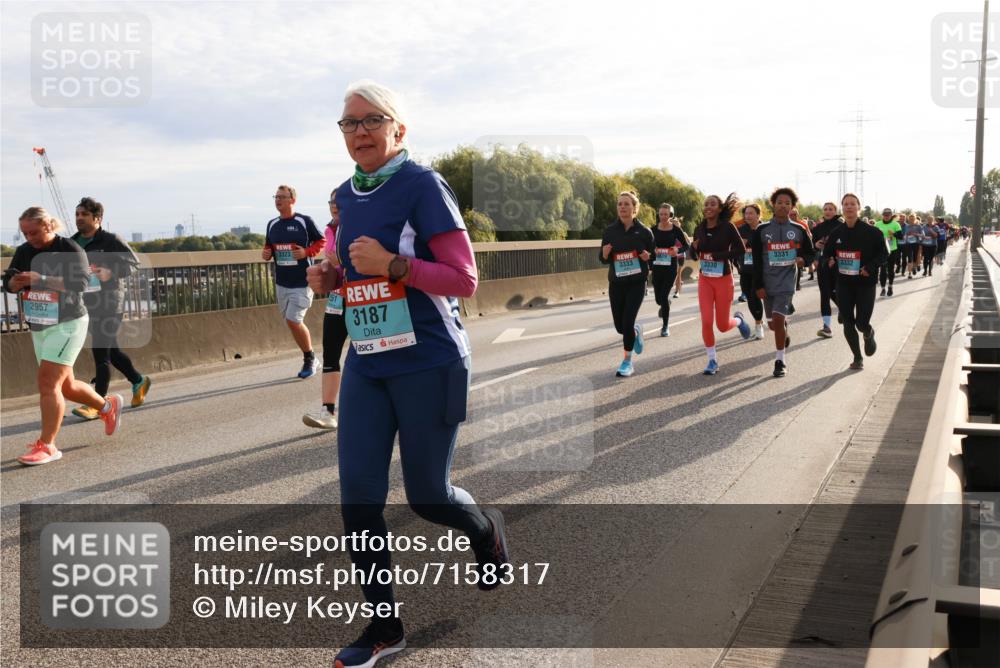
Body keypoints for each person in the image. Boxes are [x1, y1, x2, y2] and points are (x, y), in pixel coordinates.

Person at [307, 80, 508, 668]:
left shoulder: (423, 184)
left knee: (428, 496)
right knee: (359, 505)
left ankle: (483, 528)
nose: (360, 132)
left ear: (398, 130)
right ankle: (385, 628)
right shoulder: (346, 194)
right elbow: (359, 276)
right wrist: (333, 281)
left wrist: (393, 262)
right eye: (349, 123)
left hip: (430, 360)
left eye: (372, 120)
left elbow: (464, 279)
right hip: (370, 363)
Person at [2, 207, 123, 465]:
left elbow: (82, 284)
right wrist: (16, 283)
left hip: (68, 323)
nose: (29, 237)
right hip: (40, 324)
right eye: (25, 233)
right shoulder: (24, 251)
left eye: (34, 232)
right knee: (65, 386)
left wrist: (42, 278)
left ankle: (47, 446)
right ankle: (107, 406)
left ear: (48, 225)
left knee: (47, 383)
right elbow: (9, 283)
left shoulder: (70, 249)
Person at [68, 197, 151, 420]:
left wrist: (110, 272)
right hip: (85, 304)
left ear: (97, 218)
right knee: (111, 351)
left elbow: (133, 264)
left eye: (84, 214)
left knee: (100, 351)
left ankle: (97, 402)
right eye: (77, 214)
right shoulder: (72, 243)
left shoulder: (111, 240)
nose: (79, 218)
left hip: (110, 303)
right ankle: (138, 380)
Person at [262, 184, 326, 378]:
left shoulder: (304, 221)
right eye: (276, 197)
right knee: (290, 321)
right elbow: (268, 248)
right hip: (282, 282)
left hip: (302, 281)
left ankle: (310, 358)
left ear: (292, 200)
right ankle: (311, 357)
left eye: (282, 197)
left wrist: (306, 252)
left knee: (293, 319)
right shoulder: (272, 224)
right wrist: (266, 253)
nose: (278, 200)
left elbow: (321, 241)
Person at [751, 188, 815, 377]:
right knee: (773, 325)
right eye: (780, 202)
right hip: (767, 282)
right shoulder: (762, 230)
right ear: (773, 204)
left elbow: (810, 253)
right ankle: (783, 331)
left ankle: (780, 361)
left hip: (787, 282)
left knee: (778, 320)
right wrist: (758, 286)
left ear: (792, 207)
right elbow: (755, 260)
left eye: (788, 203)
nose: (783, 205)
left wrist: (804, 260)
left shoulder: (799, 229)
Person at [822, 193, 887, 370]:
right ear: (842, 208)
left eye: (852, 204)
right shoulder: (836, 233)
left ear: (858, 207)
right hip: (843, 284)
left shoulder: (872, 232)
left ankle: (868, 331)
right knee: (848, 322)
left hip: (865, 284)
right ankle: (857, 357)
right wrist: (829, 260)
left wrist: (870, 267)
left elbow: (883, 254)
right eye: (846, 204)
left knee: (861, 323)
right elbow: (827, 253)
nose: (849, 207)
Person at [302, 188, 348, 430]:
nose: (334, 205)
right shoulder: (330, 228)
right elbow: (332, 260)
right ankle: (328, 412)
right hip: (337, 299)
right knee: (330, 354)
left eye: (339, 201)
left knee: (368, 356)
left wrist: (341, 263)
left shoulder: (360, 225)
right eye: (331, 201)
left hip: (363, 299)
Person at [690, 193, 751, 375]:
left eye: (712, 204)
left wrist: (720, 256)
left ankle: (738, 320)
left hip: (723, 279)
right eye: (706, 204)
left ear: (719, 208)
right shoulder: (699, 228)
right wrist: (693, 249)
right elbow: (693, 254)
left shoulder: (728, 227)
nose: (708, 207)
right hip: (705, 279)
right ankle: (712, 360)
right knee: (707, 321)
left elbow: (740, 250)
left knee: (722, 326)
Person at [600, 191, 655, 375]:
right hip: (616, 283)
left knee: (628, 320)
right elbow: (603, 258)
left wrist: (649, 257)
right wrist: (605, 254)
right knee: (620, 327)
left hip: (636, 283)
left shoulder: (645, 232)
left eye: (626, 204)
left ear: (634, 208)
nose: (622, 207)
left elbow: (654, 256)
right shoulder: (609, 231)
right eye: (619, 204)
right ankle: (635, 332)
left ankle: (627, 362)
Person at [650, 204, 689, 337]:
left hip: (670, 267)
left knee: (664, 296)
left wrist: (677, 250)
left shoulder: (675, 229)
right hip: (657, 266)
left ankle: (665, 326)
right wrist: (651, 251)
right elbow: (646, 246)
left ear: (670, 215)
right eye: (661, 214)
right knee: (658, 300)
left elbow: (686, 245)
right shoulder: (653, 230)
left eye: (666, 214)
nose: (663, 217)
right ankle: (666, 303)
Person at [810, 202, 844, 336]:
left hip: (838, 264)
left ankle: (844, 309)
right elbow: (811, 245)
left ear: (835, 211)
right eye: (825, 209)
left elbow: (847, 244)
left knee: (836, 292)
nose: (828, 211)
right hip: (823, 264)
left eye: (831, 209)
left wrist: (835, 256)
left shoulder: (842, 226)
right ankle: (827, 327)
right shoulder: (818, 228)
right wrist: (816, 245)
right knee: (825, 294)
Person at [736, 203, 766, 340]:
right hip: (745, 269)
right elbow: (735, 248)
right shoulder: (741, 229)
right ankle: (759, 318)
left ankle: (759, 325)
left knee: (755, 296)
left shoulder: (765, 229)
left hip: (761, 269)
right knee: (749, 296)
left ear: (758, 215)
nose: (747, 216)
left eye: (751, 213)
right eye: (746, 213)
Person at [874, 208, 903, 297]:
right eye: (885, 215)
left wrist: (893, 234)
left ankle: (890, 286)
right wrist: (878, 234)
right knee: (883, 270)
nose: (886, 216)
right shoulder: (877, 224)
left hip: (892, 250)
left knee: (890, 270)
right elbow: (872, 237)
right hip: (882, 250)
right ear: (882, 215)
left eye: (888, 215)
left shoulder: (896, 224)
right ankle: (883, 288)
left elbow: (901, 237)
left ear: (891, 215)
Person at [903, 213, 922, 278]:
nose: (911, 220)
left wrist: (916, 234)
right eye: (910, 219)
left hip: (916, 243)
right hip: (908, 244)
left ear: (915, 219)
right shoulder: (907, 226)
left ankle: (914, 268)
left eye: (912, 219)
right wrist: (906, 235)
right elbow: (905, 236)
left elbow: (922, 235)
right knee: (909, 258)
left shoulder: (918, 226)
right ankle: (910, 273)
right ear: (908, 219)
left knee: (915, 258)